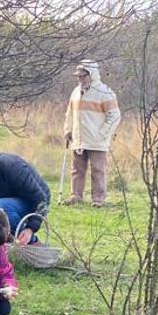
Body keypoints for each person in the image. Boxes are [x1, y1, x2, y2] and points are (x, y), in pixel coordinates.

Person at [63, 60, 121, 207]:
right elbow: (69, 114)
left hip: (97, 141)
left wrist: (102, 134)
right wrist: (67, 130)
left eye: (83, 76)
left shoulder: (104, 92)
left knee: (97, 170)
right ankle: (76, 196)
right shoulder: (76, 92)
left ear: (92, 75)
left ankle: (98, 199)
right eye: (78, 77)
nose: (80, 79)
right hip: (78, 139)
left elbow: (115, 116)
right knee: (76, 169)